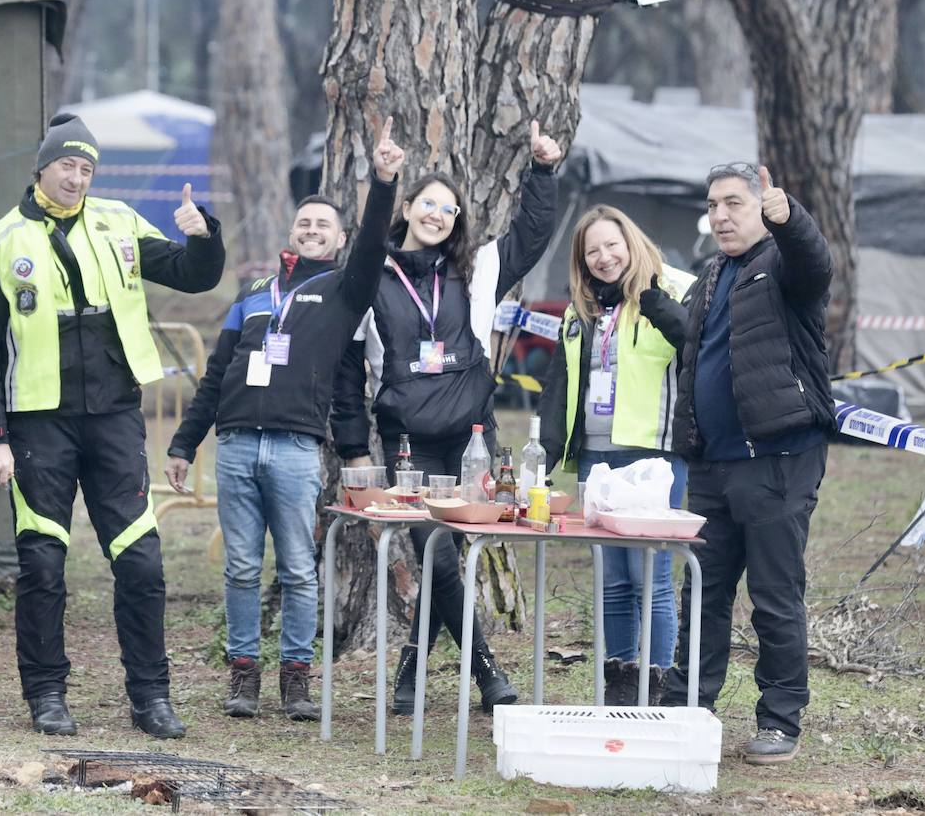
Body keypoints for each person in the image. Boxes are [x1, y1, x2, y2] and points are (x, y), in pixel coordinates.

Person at [0, 114, 224, 740]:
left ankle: (151, 697)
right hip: (36, 425)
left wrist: (204, 235)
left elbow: (194, 273)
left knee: (142, 563)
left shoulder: (120, 222)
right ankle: (47, 694)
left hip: (114, 419)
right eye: (66, 165)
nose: (76, 178)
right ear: (41, 167)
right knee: (43, 565)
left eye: (86, 169)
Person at [164, 118, 403, 721]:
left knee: (298, 569)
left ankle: (296, 678)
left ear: (339, 238)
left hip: (297, 452)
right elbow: (216, 376)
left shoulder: (346, 290)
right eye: (305, 222)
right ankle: (243, 675)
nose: (313, 229)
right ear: (292, 232)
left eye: (324, 224)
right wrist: (183, 444)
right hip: (238, 447)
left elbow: (375, 242)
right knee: (242, 568)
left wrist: (382, 181)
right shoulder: (254, 294)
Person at [331, 121, 564, 716]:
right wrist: (355, 448)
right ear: (407, 208)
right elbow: (344, 370)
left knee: (445, 556)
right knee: (434, 553)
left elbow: (532, 237)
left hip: (471, 441)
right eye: (427, 203)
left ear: (457, 221)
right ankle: (486, 670)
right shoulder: (368, 275)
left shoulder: (477, 270)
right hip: (407, 443)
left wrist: (542, 171)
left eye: (449, 209)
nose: (437, 214)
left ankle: (412, 664)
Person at [659, 163, 834, 765]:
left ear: (761, 206)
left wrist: (792, 221)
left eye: (734, 202)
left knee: (774, 597)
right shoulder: (711, 274)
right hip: (712, 466)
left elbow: (816, 265)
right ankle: (687, 709)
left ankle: (780, 721)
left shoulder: (783, 265)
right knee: (701, 594)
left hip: (778, 460)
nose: (721, 215)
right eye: (712, 205)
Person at [538, 206, 693, 705]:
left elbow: (698, 352)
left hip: (653, 455)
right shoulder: (580, 309)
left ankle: (661, 686)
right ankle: (621, 687)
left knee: (652, 576)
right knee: (613, 581)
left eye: (612, 245)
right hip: (595, 458)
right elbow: (562, 383)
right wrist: (546, 452)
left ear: (632, 241)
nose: (605, 258)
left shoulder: (672, 289)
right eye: (592, 252)